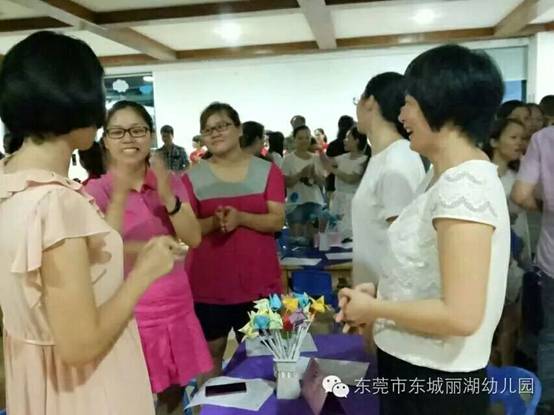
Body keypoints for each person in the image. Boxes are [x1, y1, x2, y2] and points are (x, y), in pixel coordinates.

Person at [0, 30, 182, 415]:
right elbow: (80, 345)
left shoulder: (10, 184)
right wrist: (145, 273)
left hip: (37, 380)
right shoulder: (55, 203)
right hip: (85, 391)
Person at [338, 45, 510, 415]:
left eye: (409, 103)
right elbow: (429, 272)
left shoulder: (465, 186)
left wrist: (378, 307)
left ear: (442, 107)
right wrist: (381, 292)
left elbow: (461, 315)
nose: (402, 115)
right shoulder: (440, 176)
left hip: (436, 384)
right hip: (412, 367)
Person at [85, 100, 212, 415]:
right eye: (118, 132)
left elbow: (193, 237)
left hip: (176, 304)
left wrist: (167, 195)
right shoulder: (96, 190)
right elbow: (100, 252)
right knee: (131, 397)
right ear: (105, 140)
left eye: (137, 130)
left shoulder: (170, 181)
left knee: (173, 395)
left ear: (151, 136)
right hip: (129, 310)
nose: (129, 138)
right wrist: (146, 245)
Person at [182, 102, 285, 381]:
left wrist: (241, 218)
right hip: (208, 285)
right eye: (208, 130)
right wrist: (214, 223)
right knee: (210, 354)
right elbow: (188, 230)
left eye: (222, 126)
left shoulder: (267, 171)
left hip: (259, 282)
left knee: (264, 357)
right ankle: (209, 403)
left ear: (239, 129)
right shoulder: (191, 177)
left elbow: (277, 220)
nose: (215, 133)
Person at [351, 72, 425, 287]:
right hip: (373, 295)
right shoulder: (383, 157)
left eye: (358, 100)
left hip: (387, 297)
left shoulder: (397, 160)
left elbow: (405, 249)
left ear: (370, 102)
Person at [512, 125, 554, 414]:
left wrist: (545, 207)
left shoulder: (544, 139)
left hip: (552, 261)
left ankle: (546, 402)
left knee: (550, 335)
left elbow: (520, 194)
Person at [483, 118, 528, 366]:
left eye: (523, 138)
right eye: (513, 137)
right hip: (489, 256)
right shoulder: (481, 175)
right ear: (493, 141)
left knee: (512, 322)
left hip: (515, 257)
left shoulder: (518, 178)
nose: (520, 143)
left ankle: (506, 373)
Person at [321, 126, 369, 240]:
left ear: (357, 140)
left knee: (349, 234)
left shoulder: (364, 160)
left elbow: (351, 178)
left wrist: (332, 170)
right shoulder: (343, 157)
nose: (344, 140)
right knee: (334, 234)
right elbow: (326, 162)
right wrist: (319, 151)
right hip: (338, 199)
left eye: (348, 138)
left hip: (352, 201)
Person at [282, 125, 326, 241]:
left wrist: (315, 176)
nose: (304, 141)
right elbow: (285, 183)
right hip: (296, 204)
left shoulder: (316, 158)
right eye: (300, 138)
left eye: (307, 137)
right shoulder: (288, 159)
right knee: (297, 241)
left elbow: (323, 182)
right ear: (294, 139)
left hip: (315, 202)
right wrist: (301, 174)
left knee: (315, 241)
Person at [325, 115, 356, 201]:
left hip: (333, 185)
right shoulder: (357, 145)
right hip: (353, 187)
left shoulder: (333, 145)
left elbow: (327, 166)